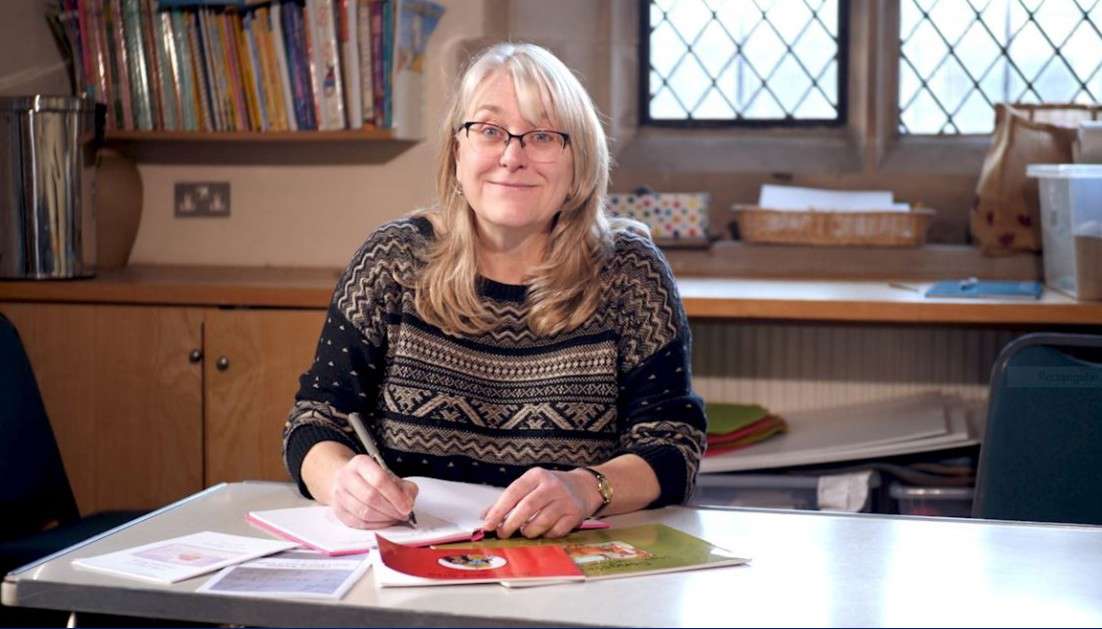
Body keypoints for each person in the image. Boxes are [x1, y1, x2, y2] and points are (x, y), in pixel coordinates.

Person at [282, 42, 707, 539]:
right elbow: (316, 419)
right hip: (411, 558)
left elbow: (674, 443)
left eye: (543, 136)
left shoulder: (630, 275)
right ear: (457, 152)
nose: (512, 156)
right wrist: (341, 483)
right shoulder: (392, 261)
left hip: (570, 568)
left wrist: (589, 487)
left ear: (578, 163)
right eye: (488, 130)